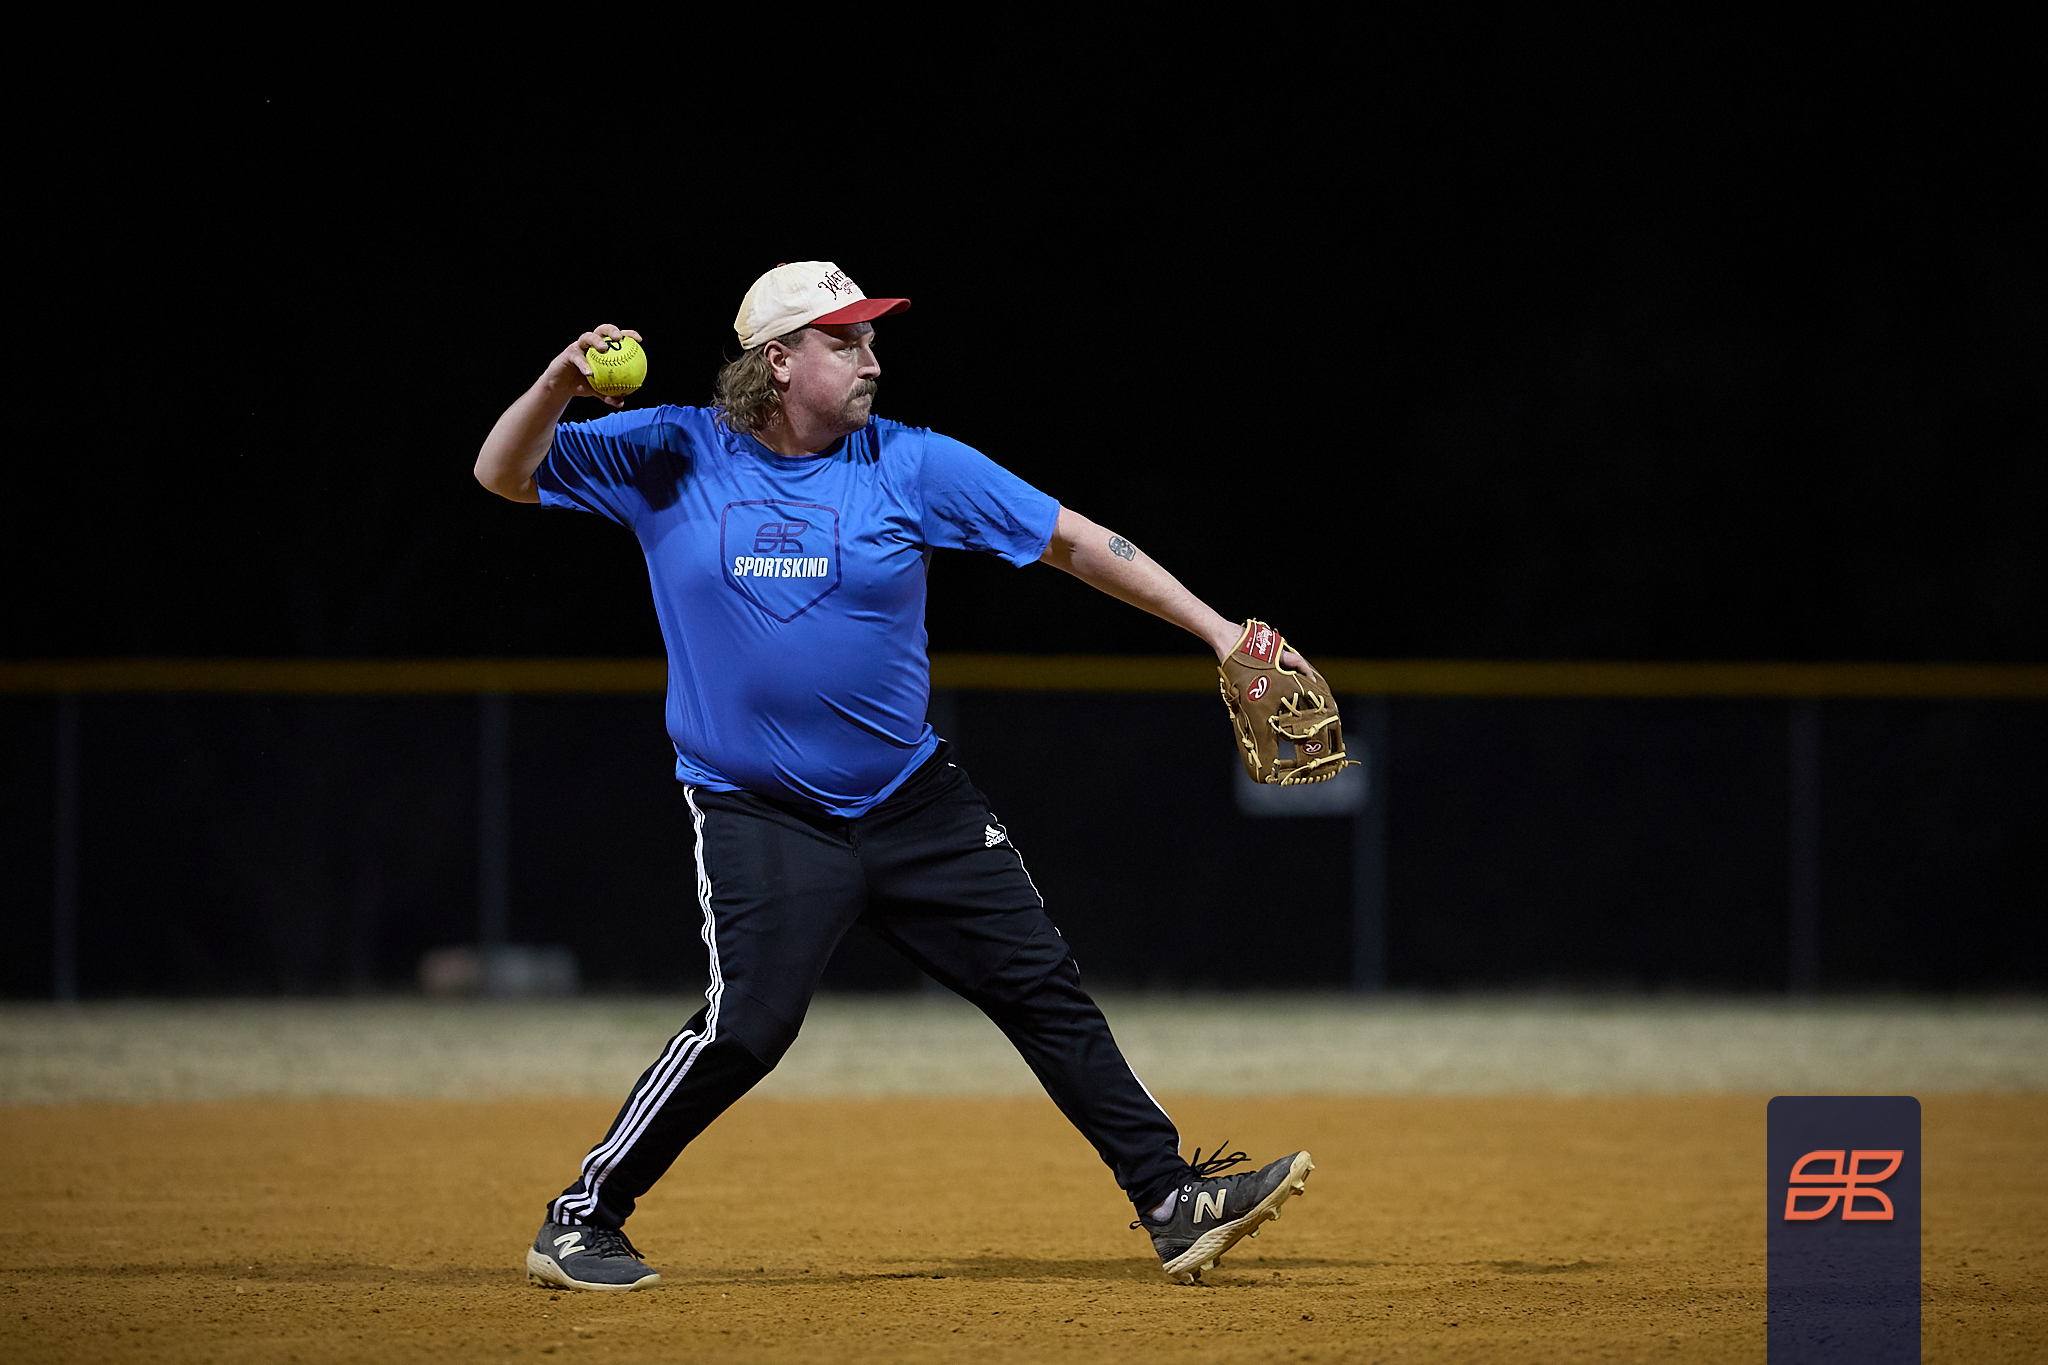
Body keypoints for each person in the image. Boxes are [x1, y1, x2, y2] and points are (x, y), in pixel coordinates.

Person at [473, 261, 1317, 1291]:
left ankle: (1169, 1198)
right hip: (760, 810)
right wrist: (558, 383)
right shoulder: (671, 450)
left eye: (872, 338)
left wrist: (1219, 631)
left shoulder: (910, 463)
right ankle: (580, 1218)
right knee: (748, 1026)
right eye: (845, 341)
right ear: (777, 362)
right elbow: (503, 473)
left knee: (1042, 988)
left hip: (913, 799)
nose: (871, 359)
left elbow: (1073, 540)